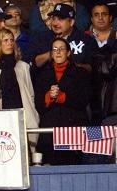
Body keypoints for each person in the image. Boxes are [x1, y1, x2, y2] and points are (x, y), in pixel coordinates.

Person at [0, 28, 39, 145]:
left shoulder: (23, 67)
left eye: (11, 40)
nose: (9, 43)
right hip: (0, 118)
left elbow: (30, 94)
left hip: (23, 116)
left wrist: (34, 114)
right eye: (5, 40)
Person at [35, 37, 89, 165]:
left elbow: (84, 99)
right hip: (50, 132)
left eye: (61, 49)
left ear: (68, 53)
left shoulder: (80, 73)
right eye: (55, 49)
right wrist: (49, 96)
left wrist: (62, 97)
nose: (58, 52)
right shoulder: (42, 75)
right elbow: (38, 105)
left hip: (73, 130)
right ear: (51, 54)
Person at [28, 3, 93, 73]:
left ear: (71, 22)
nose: (55, 23)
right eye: (53, 18)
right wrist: (52, 52)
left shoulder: (86, 39)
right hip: (47, 82)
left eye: (60, 19)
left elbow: (92, 68)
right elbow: (34, 64)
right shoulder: (42, 38)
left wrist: (72, 65)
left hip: (76, 81)